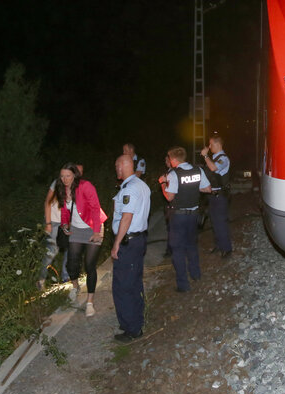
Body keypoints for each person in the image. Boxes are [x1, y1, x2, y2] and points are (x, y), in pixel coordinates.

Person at [56, 163, 107, 317]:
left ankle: (90, 302)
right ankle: (75, 286)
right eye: (62, 176)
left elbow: (95, 208)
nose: (65, 179)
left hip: (93, 226)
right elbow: (65, 210)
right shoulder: (64, 189)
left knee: (89, 265)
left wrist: (97, 232)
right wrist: (64, 225)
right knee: (71, 262)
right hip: (77, 229)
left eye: (68, 176)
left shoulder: (86, 186)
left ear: (75, 175)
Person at [158, 146, 211, 292]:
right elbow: (207, 189)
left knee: (178, 249)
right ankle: (196, 274)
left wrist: (163, 183)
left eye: (169, 158)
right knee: (192, 245)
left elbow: (170, 197)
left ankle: (183, 285)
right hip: (194, 215)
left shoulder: (174, 174)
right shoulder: (197, 170)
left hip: (179, 216)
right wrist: (192, 188)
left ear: (173, 159)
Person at [111, 154, 151, 342]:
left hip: (128, 241)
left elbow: (126, 217)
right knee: (134, 282)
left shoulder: (130, 189)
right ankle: (134, 319)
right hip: (138, 240)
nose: (116, 170)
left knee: (124, 285)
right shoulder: (141, 185)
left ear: (122, 166)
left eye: (117, 166)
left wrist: (117, 243)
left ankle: (132, 328)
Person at [201, 133, 233, 258]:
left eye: (211, 144)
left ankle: (226, 248)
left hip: (220, 196)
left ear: (218, 144)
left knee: (220, 222)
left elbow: (214, 169)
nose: (209, 147)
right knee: (214, 222)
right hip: (212, 195)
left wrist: (205, 156)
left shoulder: (223, 158)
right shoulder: (213, 158)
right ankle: (219, 245)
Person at [38, 177, 70, 289]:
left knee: (70, 247)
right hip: (53, 221)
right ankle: (40, 280)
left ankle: (66, 277)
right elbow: (47, 201)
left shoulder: (77, 185)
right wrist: (48, 223)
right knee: (52, 251)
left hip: (66, 222)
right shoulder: (57, 182)